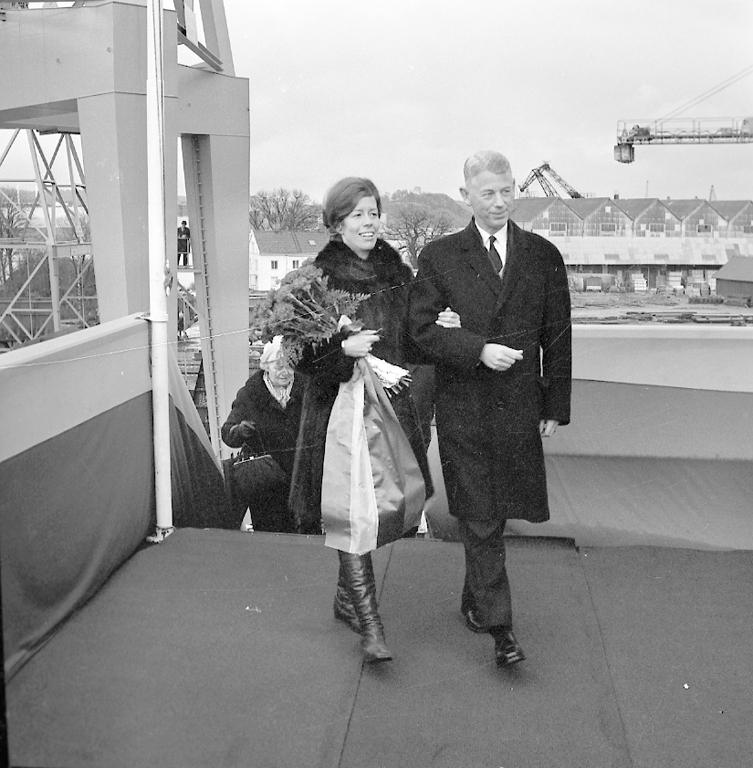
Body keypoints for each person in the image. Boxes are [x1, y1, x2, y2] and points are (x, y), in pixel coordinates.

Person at [408, 151, 572, 668]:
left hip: (520, 404)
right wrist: (476, 348)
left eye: (506, 191)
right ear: (466, 196)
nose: (500, 202)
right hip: (465, 405)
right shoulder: (439, 256)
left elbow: (558, 335)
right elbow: (418, 331)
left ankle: (475, 602)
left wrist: (555, 403)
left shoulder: (543, 255)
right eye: (488, 193)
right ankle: (502, 629)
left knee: (493, 514)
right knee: (480, 513)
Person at [289, 176, 459, 663]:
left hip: (389, 412)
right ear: (337, 223)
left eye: (373, 213)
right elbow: (301, 356)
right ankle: (371, 626)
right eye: (357, 214)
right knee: (352, 508)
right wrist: (341, 351)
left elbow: (415, 343)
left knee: (381, 509)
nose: (369, 222)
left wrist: (443, 330)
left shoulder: (399, 274)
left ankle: (347, 599)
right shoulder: (315, 280)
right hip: (337, 415)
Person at [221, 336, 304, 532]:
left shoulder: (305, 389)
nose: (285, 372)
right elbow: (227, 433)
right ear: (266, 366)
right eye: (279, 366)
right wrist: (240, 431)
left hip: (301, 478)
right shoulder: (250, 394)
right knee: (270, 534)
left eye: (290, 366)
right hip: (266, 481)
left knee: (303, 533)